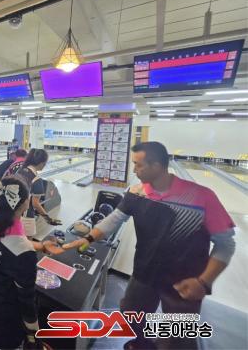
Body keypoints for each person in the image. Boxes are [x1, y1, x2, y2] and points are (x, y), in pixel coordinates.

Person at [63, 142, 236, 350]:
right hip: (144, 272)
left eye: (138, 165)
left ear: (157, 166)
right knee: (131, 316)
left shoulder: (201, 196)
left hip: (184, 281)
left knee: (177, 339)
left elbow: (226, 244)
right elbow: (115, 218)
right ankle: (140, 344)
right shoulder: (136, 192)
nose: (134, 170)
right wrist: (89, 238)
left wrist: (204, 281)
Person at [0, 176, 59, 349]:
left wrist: (41, 245)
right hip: (1, 322)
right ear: (25, 203)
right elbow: (27, 302)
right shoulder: (24, 254)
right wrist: (35, 335)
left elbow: (10, 243)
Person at [16, 148, 61, 226]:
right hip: (26, 217)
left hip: (13, 212)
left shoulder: (20, 170)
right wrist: (48, 219)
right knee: (27, 235)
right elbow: (35, 204)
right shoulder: (37, 180)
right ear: (42, 163)